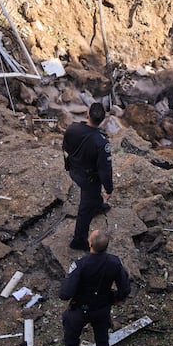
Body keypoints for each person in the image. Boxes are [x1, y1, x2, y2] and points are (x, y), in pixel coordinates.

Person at [59, 229, 131, 346]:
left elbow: (65, 293)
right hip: (102, 308)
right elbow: (125, 289)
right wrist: (116, 299)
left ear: (90, 244)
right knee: (102, 339)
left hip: (80, 309)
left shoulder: (81, 265)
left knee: (71, 342)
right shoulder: (114, 262)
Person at [62, 102, 113, 251]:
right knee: (85, 208)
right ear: (103, 120)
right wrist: (109, 189)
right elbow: (105, 169)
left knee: (91, 199)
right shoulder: (101, 142)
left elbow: (65, 148)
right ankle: (78, 240)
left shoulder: (72, 129)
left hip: (74, 171)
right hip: (89, 179)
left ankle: (97, 206)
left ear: (87, 115)